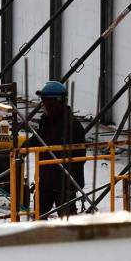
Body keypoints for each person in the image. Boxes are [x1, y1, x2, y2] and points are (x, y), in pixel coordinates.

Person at [31, 80, 86, 217]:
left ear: (55, 102)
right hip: (45, 181)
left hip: (65, 183)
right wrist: (21, 149)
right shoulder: (46, 121)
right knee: (39, 216)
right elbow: (37, 138)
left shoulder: (73, 126)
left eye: (45, 101)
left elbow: (80, 157)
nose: (43, 105)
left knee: (66, 221)